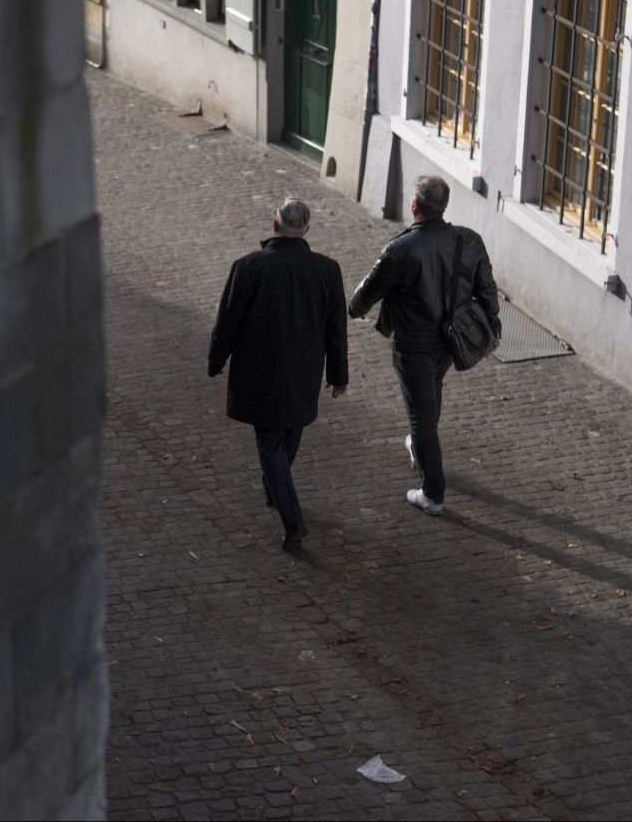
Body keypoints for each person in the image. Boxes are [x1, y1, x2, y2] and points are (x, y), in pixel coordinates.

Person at [348, 175, 500, 515]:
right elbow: (488, 289)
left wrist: (355, 310)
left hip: (413, 343)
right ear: (442, 207)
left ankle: (432, 492)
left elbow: (365, 295)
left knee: (420, 414)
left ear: (415, 206)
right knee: (430, 394)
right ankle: (420, 447)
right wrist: (494, 327)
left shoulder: (400, 250)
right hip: (450, 340)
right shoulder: (470, 241)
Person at [208, 196, 349, 551]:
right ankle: (275, 488)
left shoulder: (249, 267)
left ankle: (292, 519)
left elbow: (228, 321)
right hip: (304, 369)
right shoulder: (327, 270)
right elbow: (336, 328)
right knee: (291, 429)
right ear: (306, 230)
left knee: (269, 440)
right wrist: (338, 373)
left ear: (274, 226)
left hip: (260, 369)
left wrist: (216, 359)